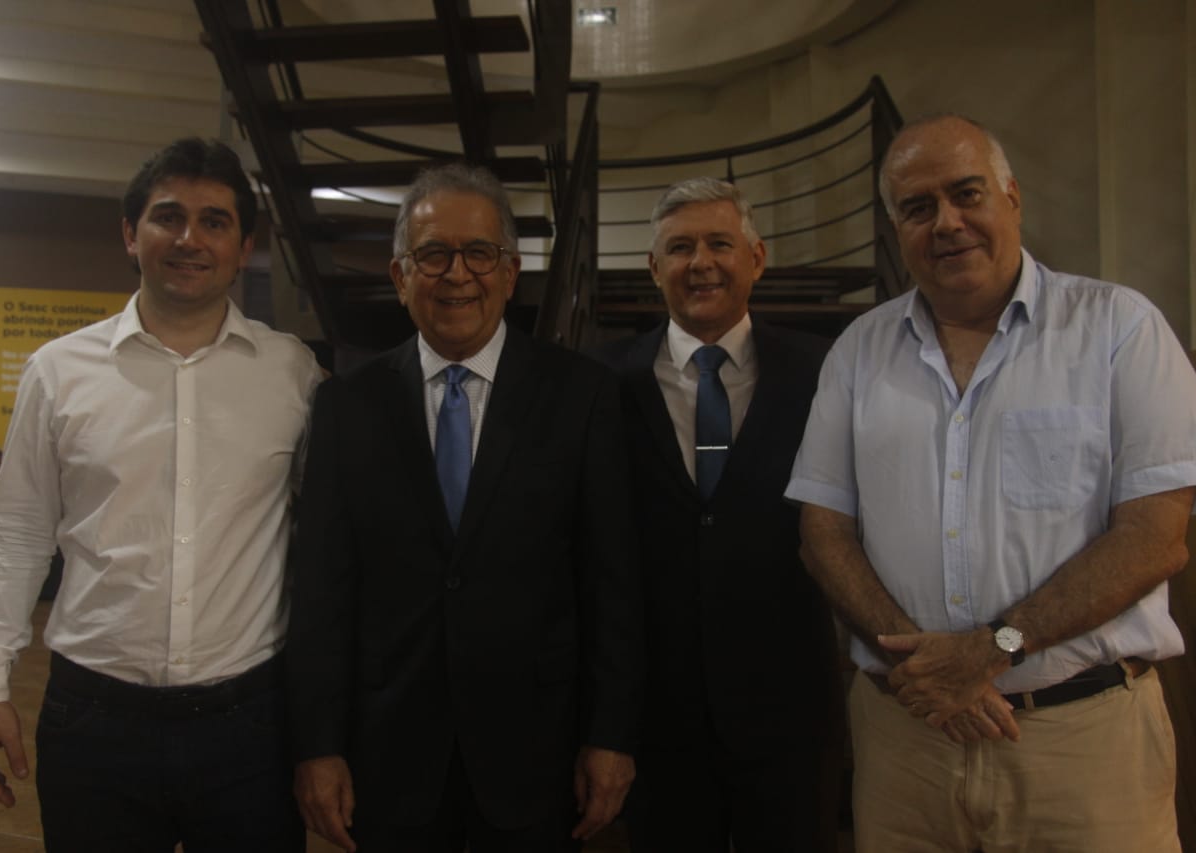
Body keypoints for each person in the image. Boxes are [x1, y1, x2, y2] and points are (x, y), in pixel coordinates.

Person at [787, 114, 1196, 852]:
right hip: (906, 743)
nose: (946, 222)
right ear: (896, 229)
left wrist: (992, 649)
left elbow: (1155, 537)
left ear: (1013, 197)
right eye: (918, 207)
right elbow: (824, 533)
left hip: (1080, 742)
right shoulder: (858, 351)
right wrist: (925, 668)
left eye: (966, 193)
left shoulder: (1119, 329)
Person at [0, 137, 321, 852]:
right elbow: (16, 531)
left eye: (214, 221)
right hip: (95, 723)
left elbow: (325, 536)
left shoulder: (293, 374)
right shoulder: (58, 372)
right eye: (168, 217)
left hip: (251, 727)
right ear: (131, 234)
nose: (190, 239)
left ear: (243, 247)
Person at [286, 162, 644, 853]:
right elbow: (322, 592)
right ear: (400, 276)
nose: (457, 274)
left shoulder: (582, 396)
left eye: (480, 252)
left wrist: (612, 734)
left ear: (510, 273)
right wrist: (318, 745)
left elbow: (613, 584)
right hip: (388, 758)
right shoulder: (345, 406)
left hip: (538, 757)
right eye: (433, 255)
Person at [598, 177, 843, 852]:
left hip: (790, 708)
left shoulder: (824, 371)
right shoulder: (599, 382)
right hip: (658, 717)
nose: (700, 262)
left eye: (719, 244)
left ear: (756, 258)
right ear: (654, 268)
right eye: (680, 248)